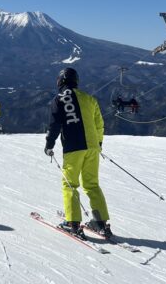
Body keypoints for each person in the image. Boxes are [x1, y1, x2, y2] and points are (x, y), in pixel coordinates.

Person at [44, 68, 111, 238]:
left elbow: (54, 125)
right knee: (92, 185)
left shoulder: (59, 99)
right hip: (93, 148)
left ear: (60, 81)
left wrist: (49, 145)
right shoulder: (90, 99)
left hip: (73, 148)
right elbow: (99, 125)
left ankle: (73, 224)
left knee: (70, 184)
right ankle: (101, 223)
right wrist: (99, 144)